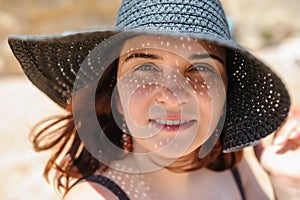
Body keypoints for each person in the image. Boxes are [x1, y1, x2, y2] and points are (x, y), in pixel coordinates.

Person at [8, 0, 300, 199]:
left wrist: (286, 183)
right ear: (117, 95)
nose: (172, 97)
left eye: (199, 70)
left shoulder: (231, 166)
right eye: (145, 67)